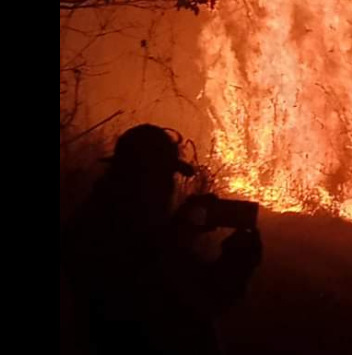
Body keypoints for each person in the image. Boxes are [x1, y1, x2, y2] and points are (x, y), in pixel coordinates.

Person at [62, 124, 262, 355]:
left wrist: (180, 226)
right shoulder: (128, 237)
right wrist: (237, 260)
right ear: (145, 179)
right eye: (165, 177)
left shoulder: (93, 221)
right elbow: (202, 297)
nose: (169, 186)